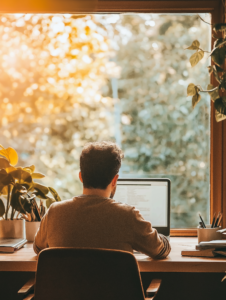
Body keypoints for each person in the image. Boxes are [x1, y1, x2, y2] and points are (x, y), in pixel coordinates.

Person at [34, 141, 171, 258]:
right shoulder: (128, 216)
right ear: (114, 180)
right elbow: (160, 250)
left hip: (64, 290)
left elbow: (38, 249)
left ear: (81, 177)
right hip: (115, 290)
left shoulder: (54, 213)